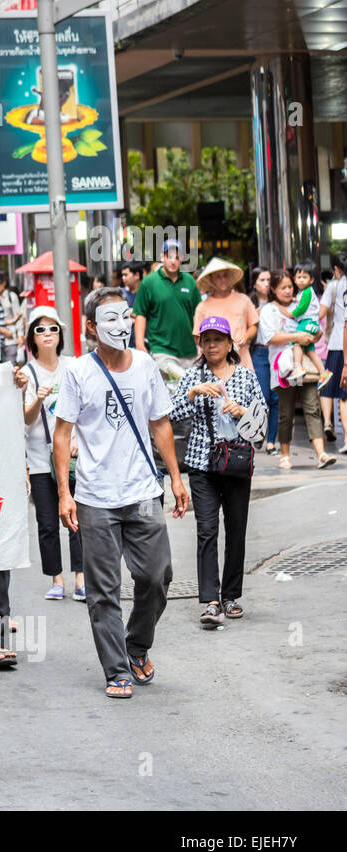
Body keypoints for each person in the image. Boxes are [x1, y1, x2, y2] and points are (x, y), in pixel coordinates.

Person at [53, 288, 189, 700]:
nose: (121, 325)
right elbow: (62, 435)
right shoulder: (78, 372)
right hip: (95, 497)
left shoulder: (146, 365)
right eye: (109, 319)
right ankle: (116, 669)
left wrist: (176, 479)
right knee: (103, 589)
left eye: (126, 316)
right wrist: (64, 492)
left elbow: (160, 423)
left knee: (156, 576)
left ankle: (136, 645)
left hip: (144, 491)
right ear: (91, 328)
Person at [169, 316, 262, 629]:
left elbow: (261, 421)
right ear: (201, 344)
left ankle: (231, 594)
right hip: (201, 464)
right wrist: (193, 393)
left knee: (236, 529)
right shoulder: (193, 375)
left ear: (229, 344)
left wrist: (242, 411)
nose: (212, 345)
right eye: (206, 340)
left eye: (217, 339)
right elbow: (171, 414)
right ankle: (211, 600)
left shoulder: (246, 377)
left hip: (236, 462)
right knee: (206, 531)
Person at [21, 306, 84, 602]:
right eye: (40, 329)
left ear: (61, 334)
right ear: (32, 338)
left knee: (78, 518)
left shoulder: (74, 366)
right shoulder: (25, 373)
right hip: (38, 458)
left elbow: (87, 410)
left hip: (71, 456)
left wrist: (78, 441)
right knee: (47, 522)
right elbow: (24, 419)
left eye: (53, 328)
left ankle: (81, 577)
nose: (47, 334)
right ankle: (57, 579)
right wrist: (36, 399)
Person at [256, 271, 335, 469]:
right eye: (283, 287)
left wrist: (312, 336)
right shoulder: (268, 310)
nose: (288, 290)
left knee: (312, 408)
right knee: (286, 413)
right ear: (273, 289)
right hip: (283, 368)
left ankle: (321, 454)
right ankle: (285, 454)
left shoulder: (300, 304)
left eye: (289, 286)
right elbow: (270, 337)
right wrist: (297, 338)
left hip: (305, 367)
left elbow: (313, 328)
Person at [133, 238, 201, 388]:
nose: (173, 261)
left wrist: (201, 342)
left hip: (189, 351)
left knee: (188, 394)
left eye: (177, 257)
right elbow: (140, 314)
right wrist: (139, 344)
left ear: (182, 258)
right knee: (176, 388)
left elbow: (199, 314)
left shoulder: (190, 282)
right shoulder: (149, 283)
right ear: (162, 257)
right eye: (169, 256)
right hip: (162, 350)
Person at [192, 258, 258, 370]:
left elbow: (253, 325)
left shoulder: (243, 300)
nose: (222, 279)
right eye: (218, 276)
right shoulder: (203, 307)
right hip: (213, 364)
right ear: (211, 279)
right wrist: (212, 346)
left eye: (225, 275)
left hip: (241, 359)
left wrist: (245, 337)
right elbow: (197, 336)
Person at [247, 267, 280, 453]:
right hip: (258, 352)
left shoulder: (278, 304)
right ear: (254, 283)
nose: (266, 283)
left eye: (269, 280)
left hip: (276, 352)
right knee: (262, 397)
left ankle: (271, 441)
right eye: (262, 280)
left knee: (276, 398)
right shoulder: (249, 304)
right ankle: (258, 433)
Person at [318, 257, 347, 448]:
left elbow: (320, 313)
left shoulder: (334, 286)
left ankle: (328, 421)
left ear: (336, 269)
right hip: (340, 341)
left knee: (327, 384)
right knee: (344, 393)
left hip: (338, 343)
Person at [0, 275, 23, 362]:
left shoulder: (11, 296)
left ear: (3, 284)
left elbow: (18, 317)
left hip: (11, 339)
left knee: (10, 367)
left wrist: (20, 336)